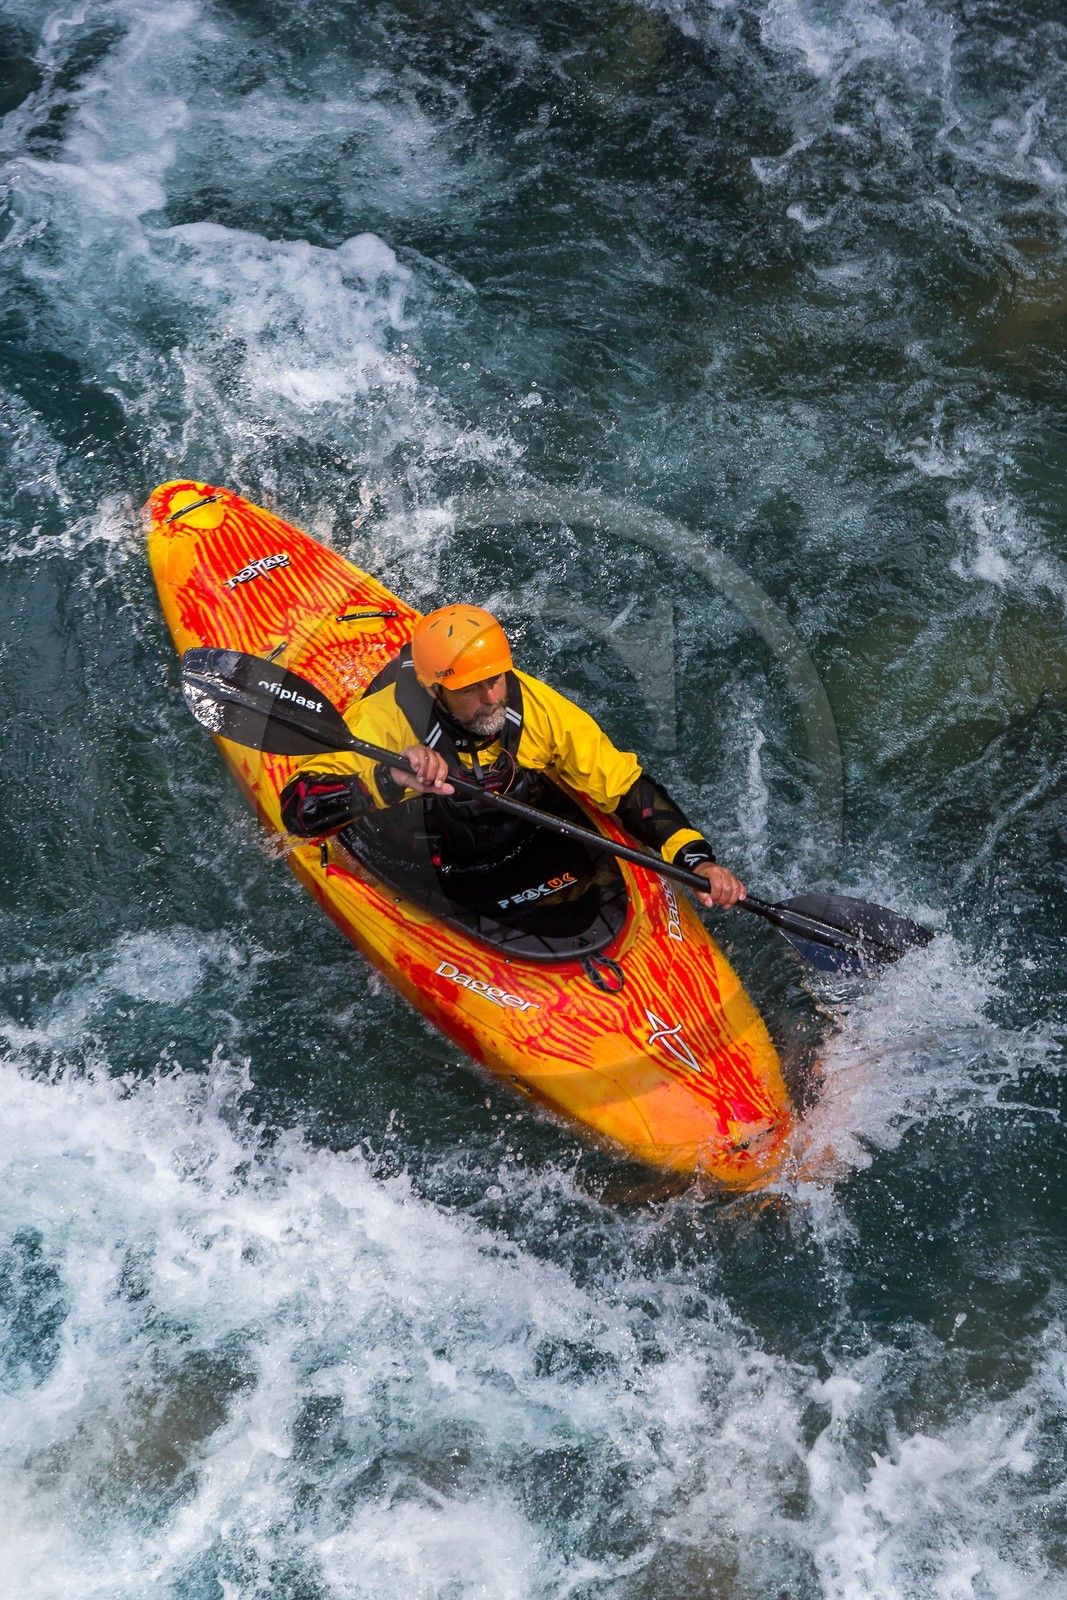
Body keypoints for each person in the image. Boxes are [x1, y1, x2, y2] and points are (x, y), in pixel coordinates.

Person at [279, 606, 746, 909]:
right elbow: (297, 810)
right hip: (420, 862)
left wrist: (695, 861)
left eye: (496, 679)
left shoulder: (535, 708)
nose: (491, 698)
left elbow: (624, 787)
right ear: (434, 689)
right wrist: (387, 778)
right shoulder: (380, 722)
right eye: (471, 688)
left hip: (518, 848)